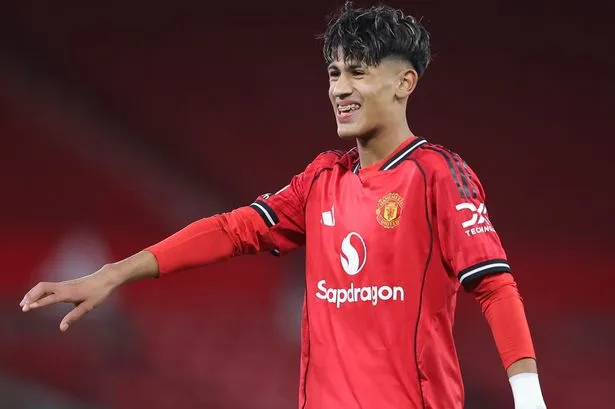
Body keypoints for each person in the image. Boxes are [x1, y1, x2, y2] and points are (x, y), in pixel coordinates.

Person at [20, 3, 547, 409]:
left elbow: (495, 287)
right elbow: (231, 230)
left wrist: (529, 399)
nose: (340, 88)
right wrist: (113, 274)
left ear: (404, 83)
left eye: (358, 72)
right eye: (334, 73)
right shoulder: (322, 178)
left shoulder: (437, 175)